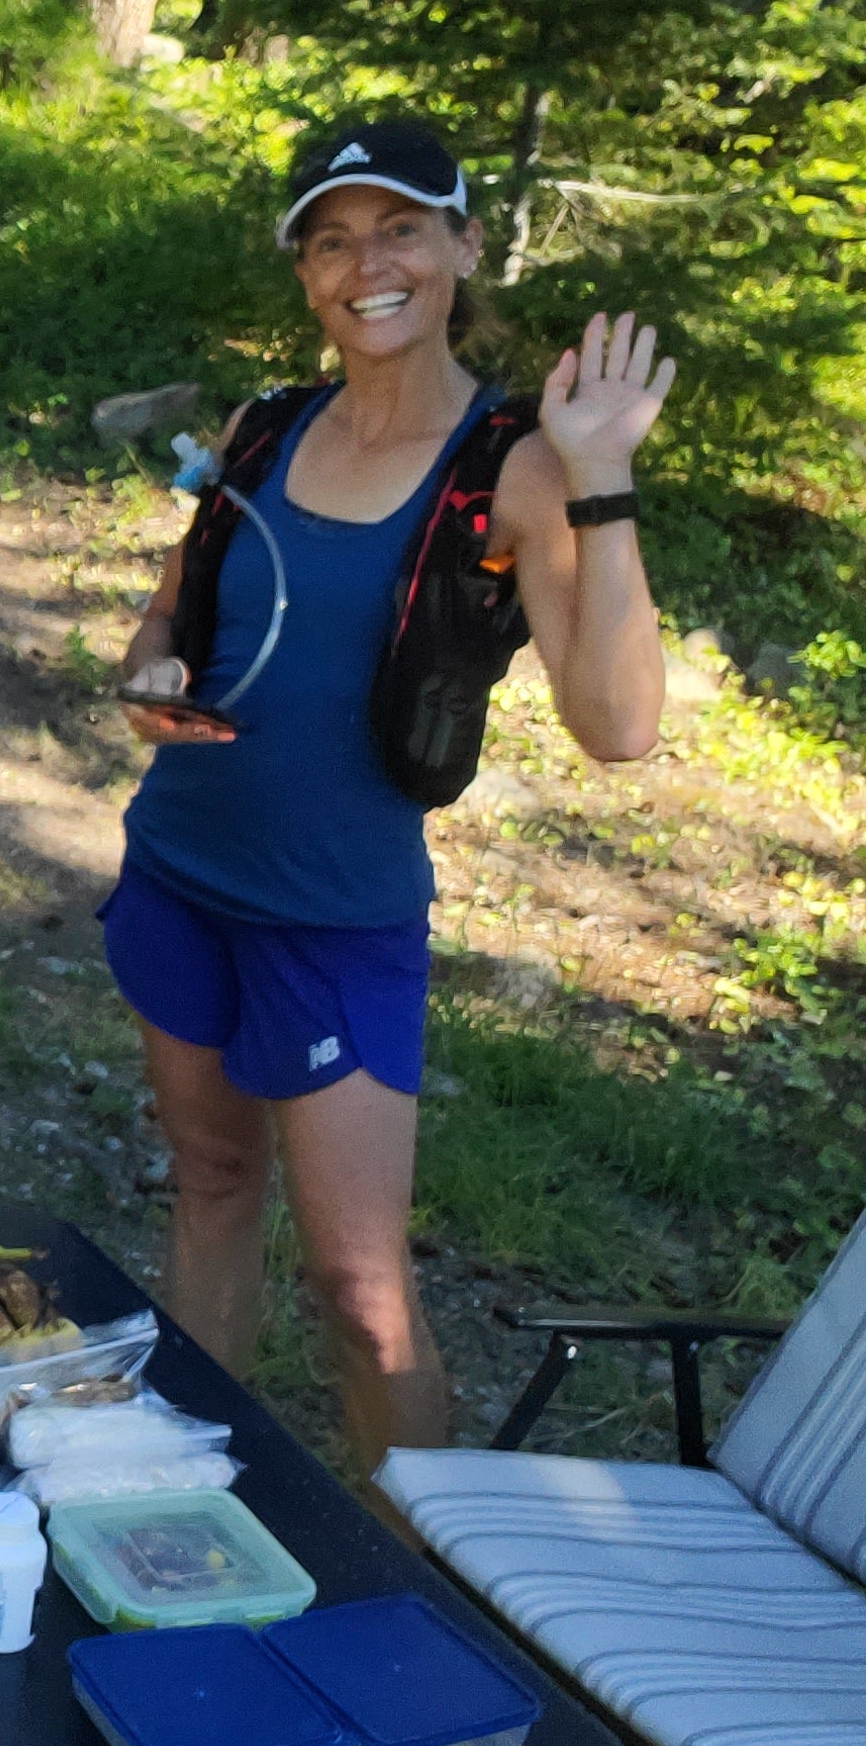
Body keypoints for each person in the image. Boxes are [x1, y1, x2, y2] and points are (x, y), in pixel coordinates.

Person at [112, 118, 672, 1472]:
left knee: (363, 1303)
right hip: (182, 877)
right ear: (306, 272)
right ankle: (178, 1502)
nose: (368, 263)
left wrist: (602, 479)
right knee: (213, 1187)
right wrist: (150, 677)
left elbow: (621, 726)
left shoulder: (518, 466)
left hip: (337, 919)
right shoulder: (265, 429)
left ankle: (410, 1592)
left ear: (464, 247)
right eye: (332, 238)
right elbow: (163, 625)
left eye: (402, 228)